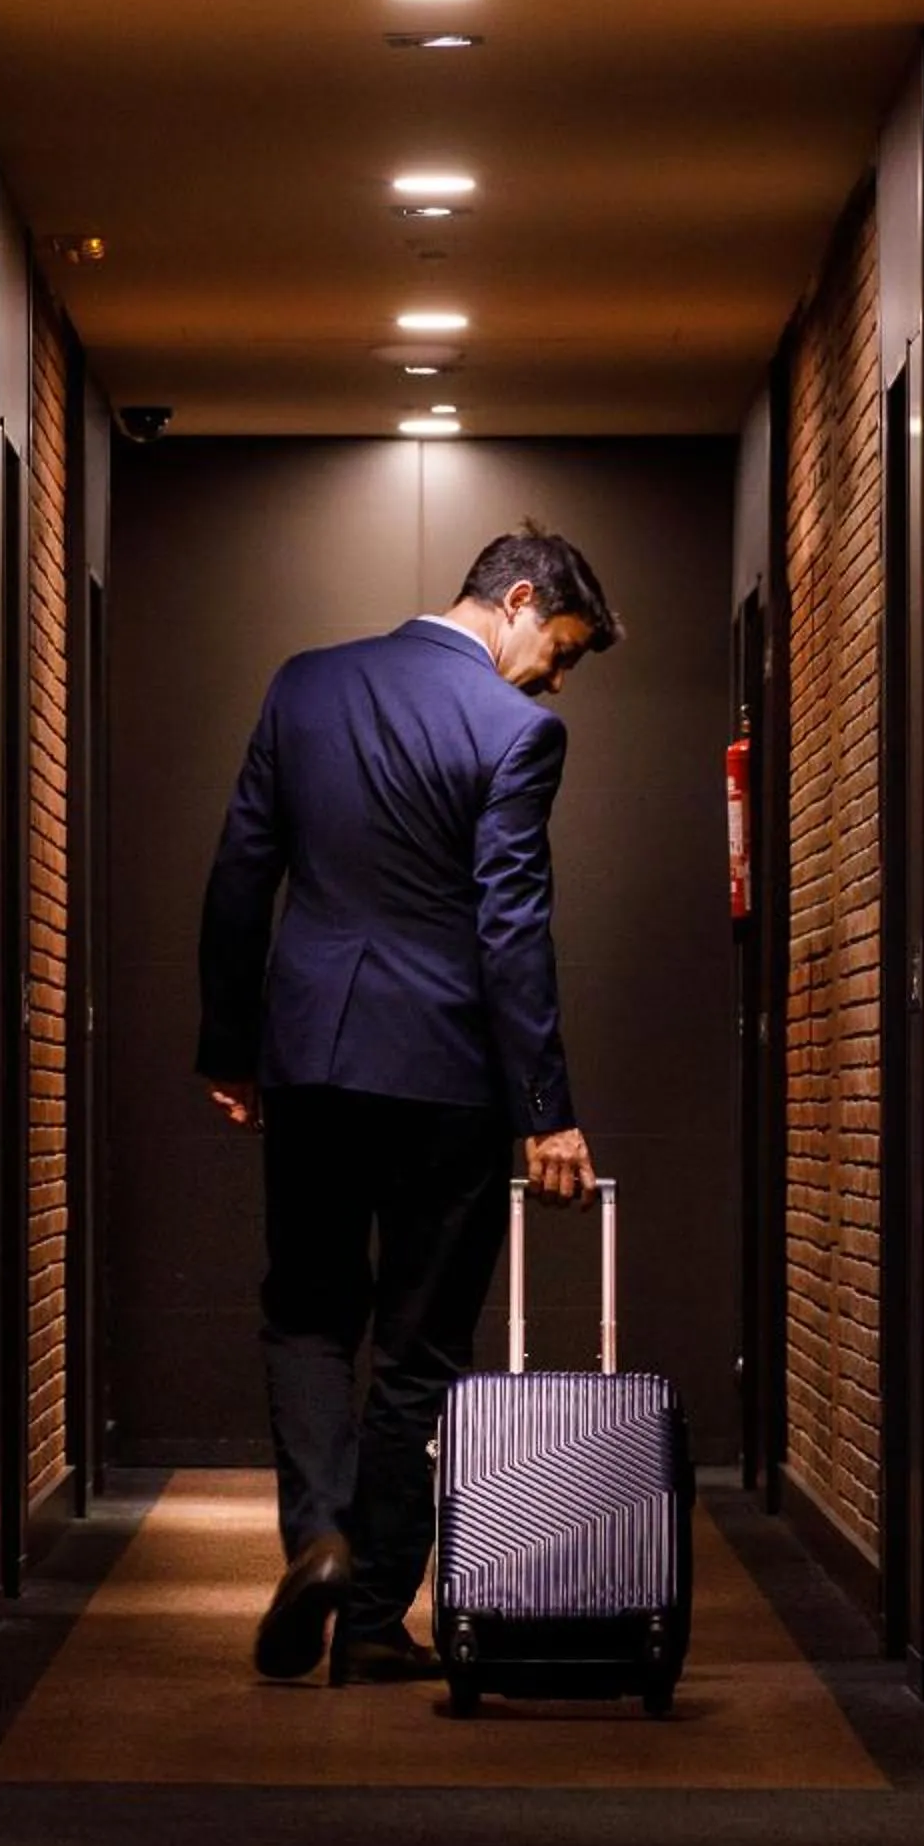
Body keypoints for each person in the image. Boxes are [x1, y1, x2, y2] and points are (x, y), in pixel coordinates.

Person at [196, 524, 619, 1685]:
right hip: (447, 1074)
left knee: (307, 1313)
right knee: (421, 1349)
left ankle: (317, 1537)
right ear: (518, 598)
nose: (555, 675)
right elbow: (511, 923)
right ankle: (377, 1620)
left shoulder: (306, 683)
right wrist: (547, 1106)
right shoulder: (518, 731)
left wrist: (231, 1045)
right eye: (561, 648)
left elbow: (242, 871)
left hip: (314, 1056)